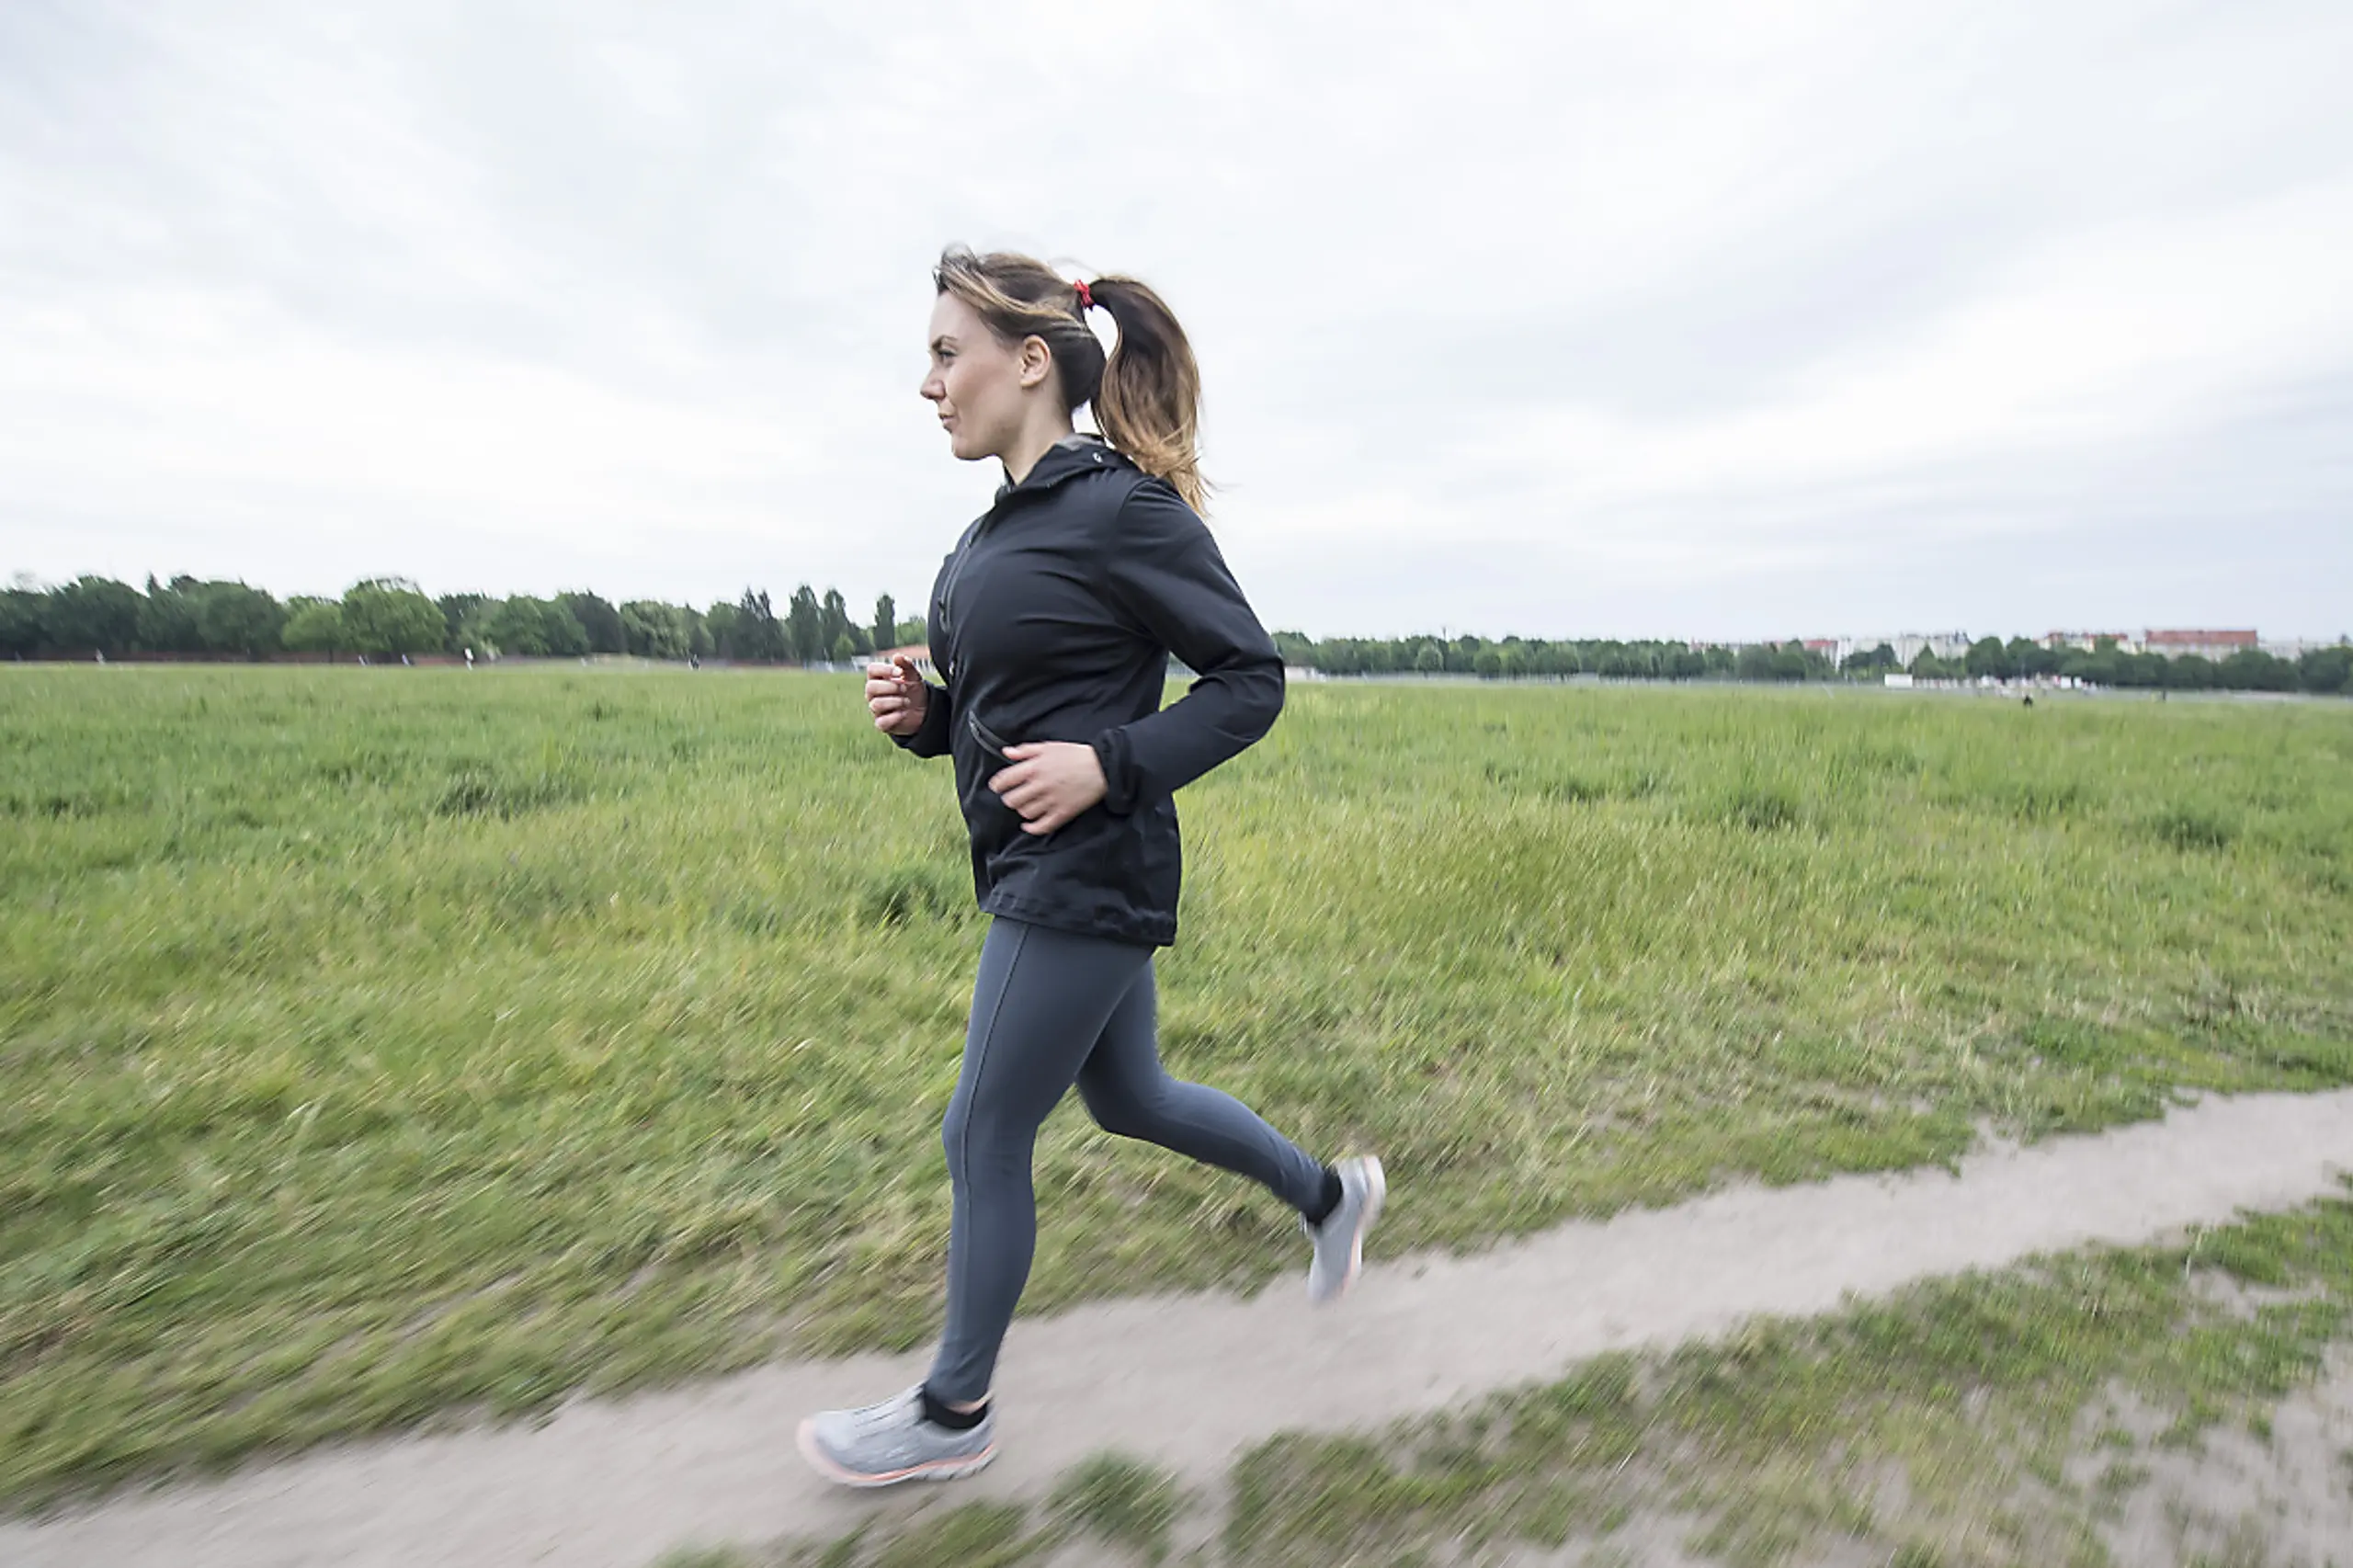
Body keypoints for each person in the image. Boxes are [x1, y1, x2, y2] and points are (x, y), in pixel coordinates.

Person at [796, 247, 1384, 1490]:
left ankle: (954, 1409)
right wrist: (930, 714)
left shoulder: (1123, 509)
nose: (929, 383)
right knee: (1132, 1097)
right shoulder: (991, 532)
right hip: (1045, 863)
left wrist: (1107, 766)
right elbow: (1008, 718)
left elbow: (1248, 680)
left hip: (1084, 868)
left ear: (1026, 362)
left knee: (981, 1130)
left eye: (946, 353)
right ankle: (1330, 1197)